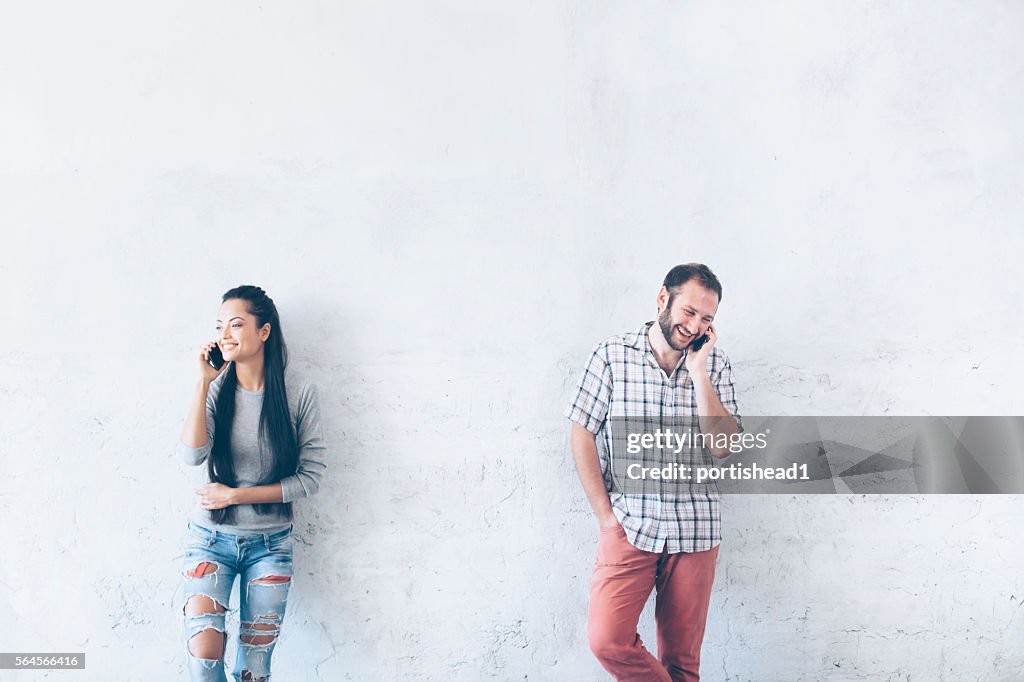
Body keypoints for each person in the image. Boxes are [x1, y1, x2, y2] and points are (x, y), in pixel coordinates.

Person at [565, 263, 743, 682]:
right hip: (629, 526)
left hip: (696, 531)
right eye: (689, 311)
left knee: (683, 664)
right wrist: (606, 519)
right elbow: (581, 433)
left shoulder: (715, 366)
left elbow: (723, 448)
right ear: (663, 298)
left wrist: (699, 372)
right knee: (607, 639)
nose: (695, 325)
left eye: (707, 319)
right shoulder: (612, 355)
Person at [178, 285, 327, 682]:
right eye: (220, 325)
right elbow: (193, 456)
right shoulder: (215, 389)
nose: (225, 333)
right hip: (210, 539)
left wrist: (237, 495)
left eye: (236, 324)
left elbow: (310, 477)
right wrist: (202, 382)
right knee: (204, 662)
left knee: (253, 669)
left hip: (271, 544)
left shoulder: (297, 394)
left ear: (264, 332)